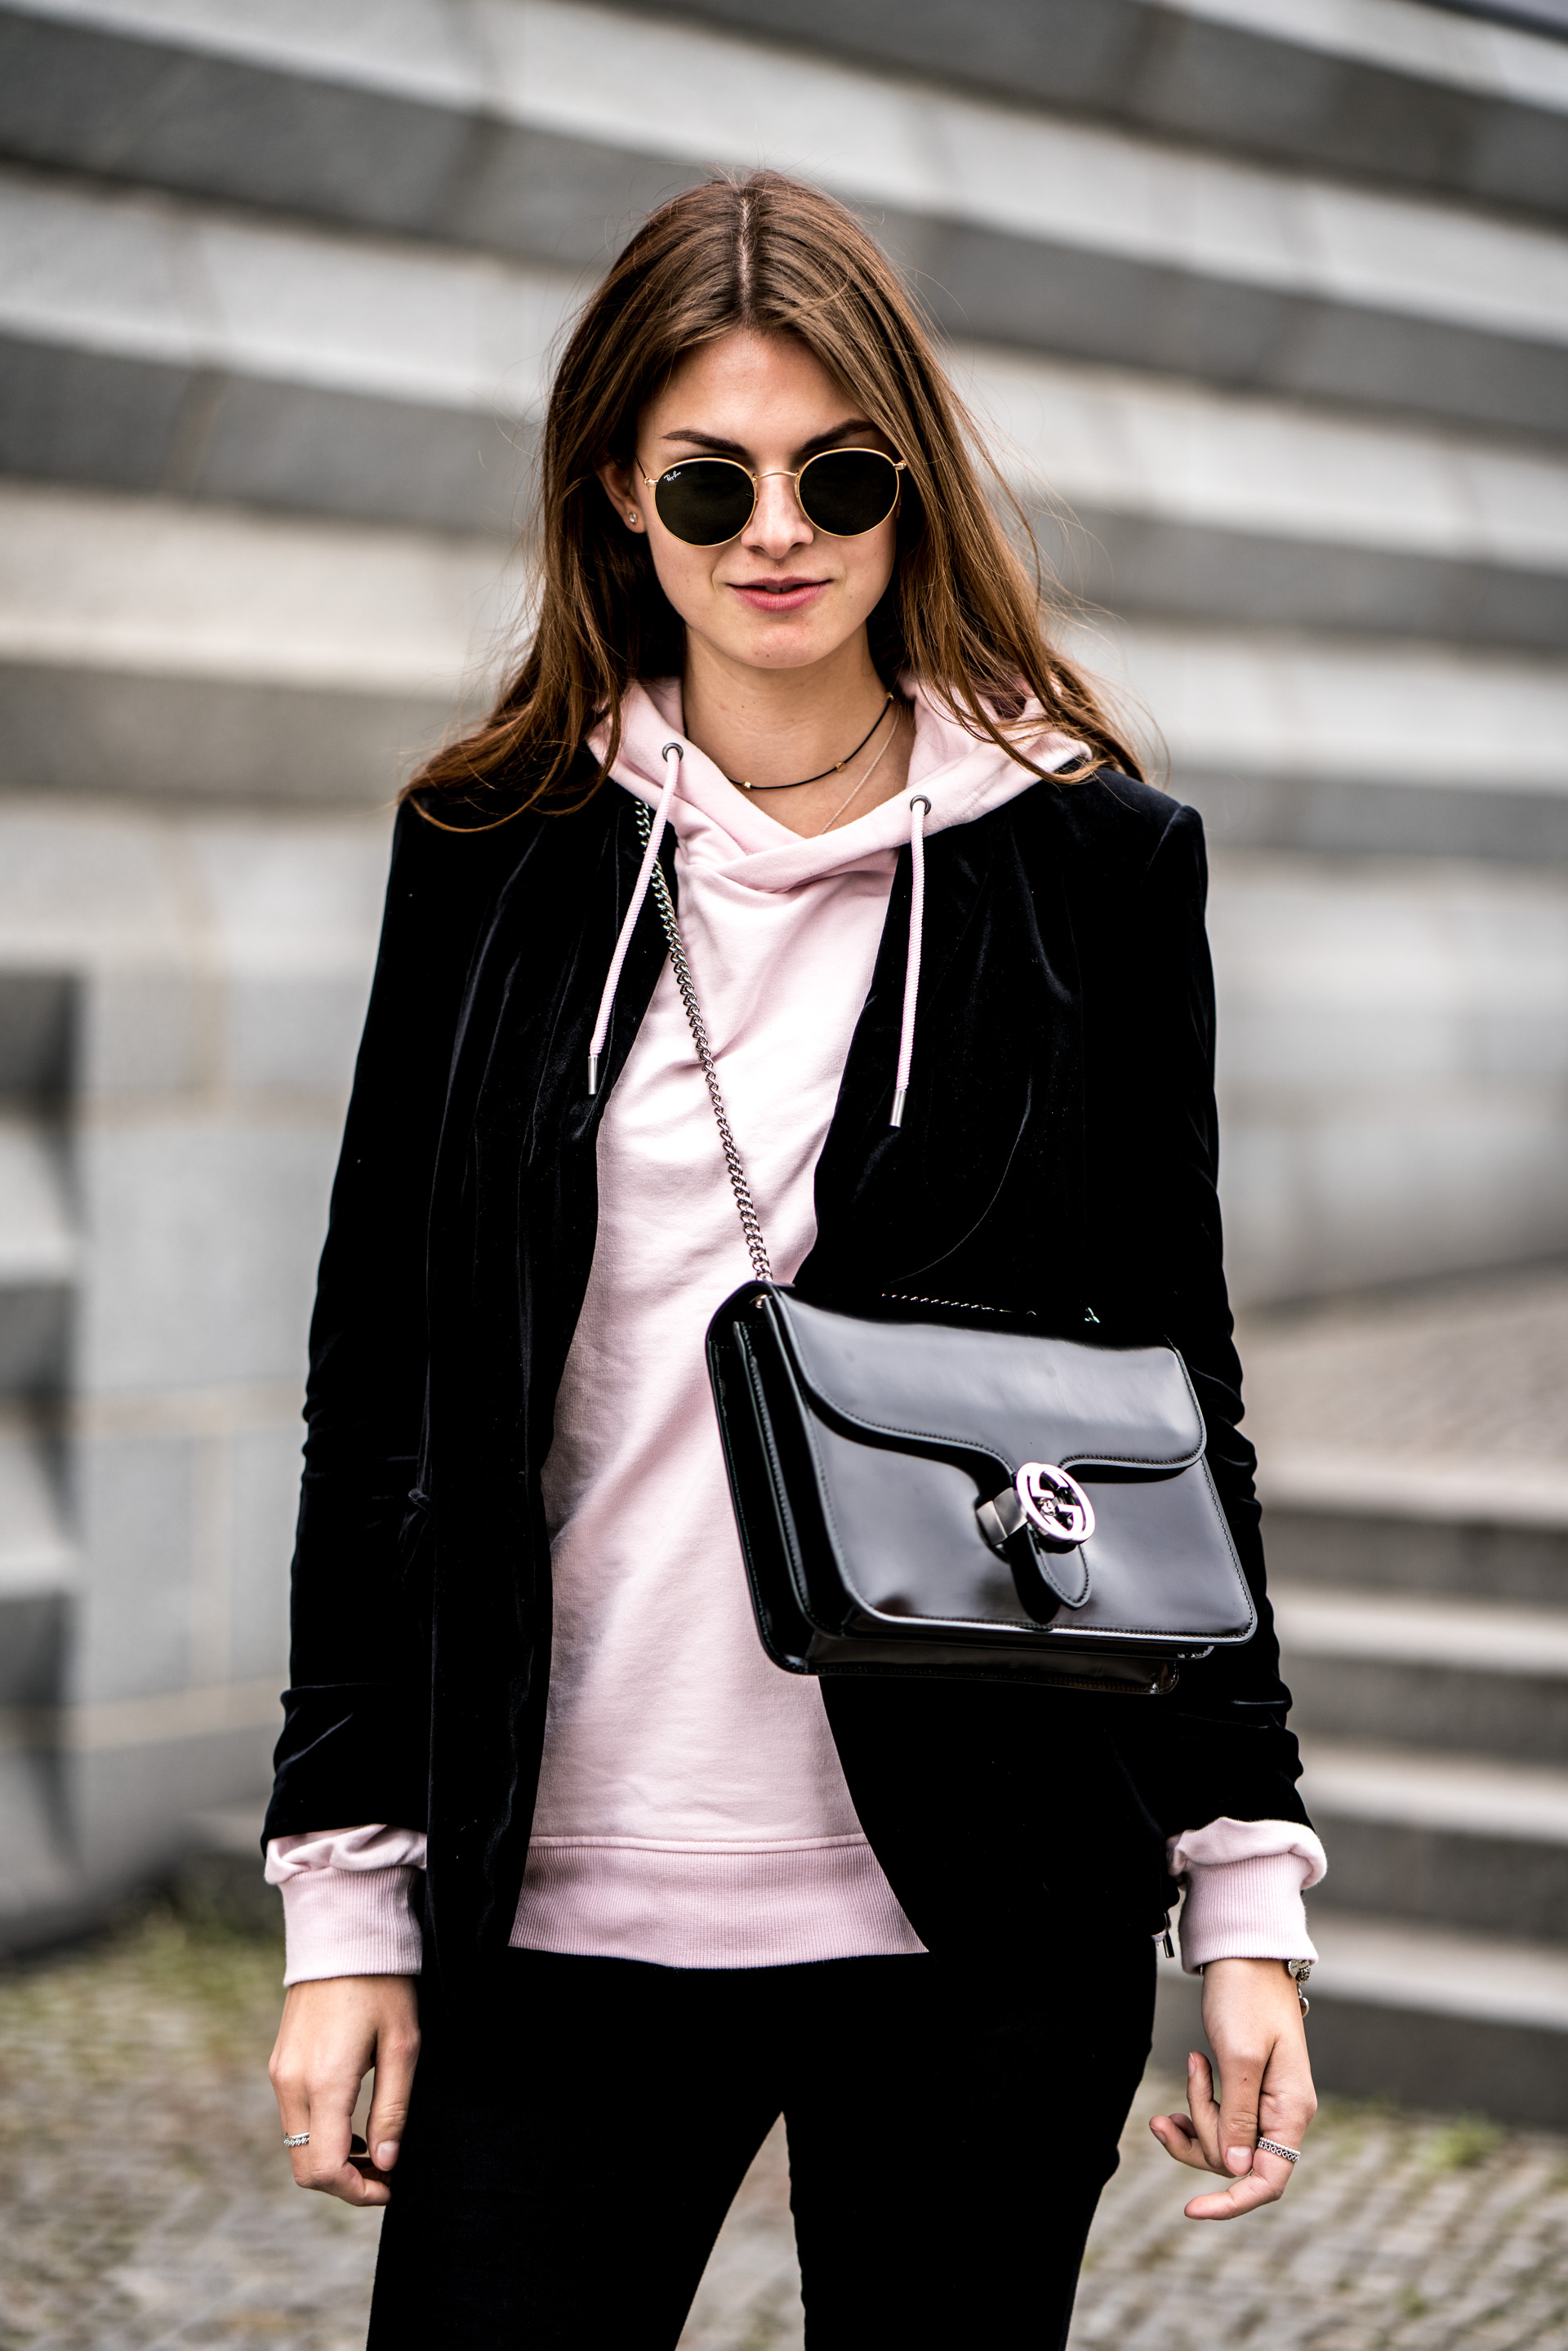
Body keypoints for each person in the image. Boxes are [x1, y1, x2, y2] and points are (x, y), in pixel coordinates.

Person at [262, 171, 1324, 2349]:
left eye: (841, 472)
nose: (779, 528)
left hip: (987, 1912)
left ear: (911, 491)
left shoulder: (1092, 874)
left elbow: (1171, 1400)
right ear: (615, 502)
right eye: (709, 476)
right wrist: (347, 1901)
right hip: (559, 1892)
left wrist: (1244, 1885)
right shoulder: (493, 858)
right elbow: (381, 1394)